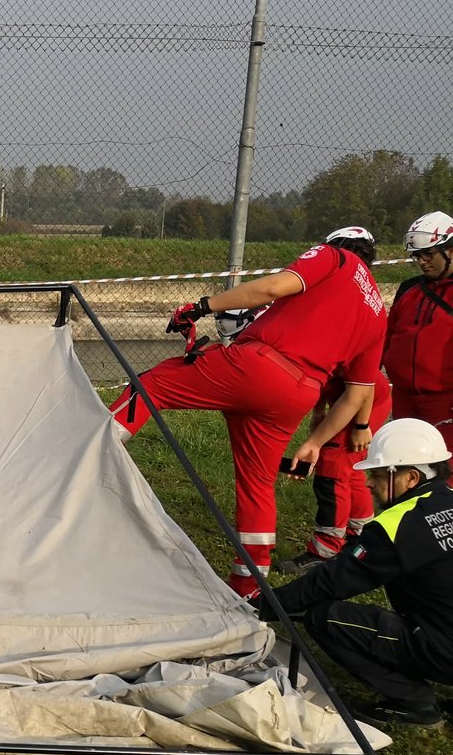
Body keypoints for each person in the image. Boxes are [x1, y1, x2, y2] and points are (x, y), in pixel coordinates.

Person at [109, 226, 387, 597]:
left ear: (335, 244)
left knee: (151, 384)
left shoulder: (332, 258)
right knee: (257, 484)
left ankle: (92, 447)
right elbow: (357, 394)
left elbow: (273, 288)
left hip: (262, 365)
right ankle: (249, 587)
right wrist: (315, 444)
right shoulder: (378, 313)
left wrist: (200, 306)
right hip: (300, 393)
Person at [259, 418, 453, 728]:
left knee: (325, 618)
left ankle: (415, 704)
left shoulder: (397, 527)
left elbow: (332, 581)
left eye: (377, 474)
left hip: (444, 649)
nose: (369, 484)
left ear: (411, 478)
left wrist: (261, 606)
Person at [278, 363, 392, 575]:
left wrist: (361, 425)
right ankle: (361, 536)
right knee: (350, 468)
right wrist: (319, 409)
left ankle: (325, 551)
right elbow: (321, 372)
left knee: (332, 468)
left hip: (365, 399)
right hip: (350, 395)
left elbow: (364, 383)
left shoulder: (340, 340)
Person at [383, 211, 453, 452]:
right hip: (403, 398)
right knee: (403, 466)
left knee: (445, 473)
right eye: (417, 256)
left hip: (445, 402)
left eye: (429, 254)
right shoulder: (409, 289)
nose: (423, 261)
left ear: (450, 250)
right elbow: (387, 338)